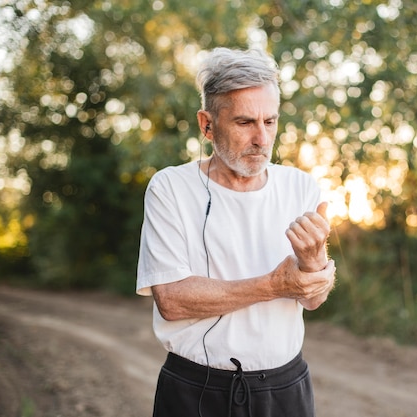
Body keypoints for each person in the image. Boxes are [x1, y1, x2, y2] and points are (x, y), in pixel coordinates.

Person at [136, 47, 336, 417]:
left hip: (285, 390)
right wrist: (275, 285)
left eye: (270, 122)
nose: (262, 139)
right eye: (245, 123)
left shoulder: (301, 187)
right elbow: (172, 299)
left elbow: (313, 299)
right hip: (195, 391)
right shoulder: (170, 188)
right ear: (207, 125)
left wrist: (312, 266)